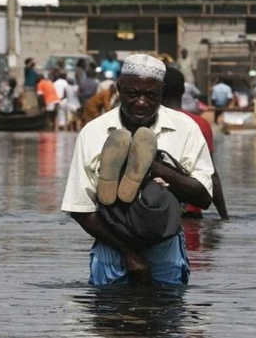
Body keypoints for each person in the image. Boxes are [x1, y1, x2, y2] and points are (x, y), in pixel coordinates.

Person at [61, 54, 214, 286]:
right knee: (114, 317)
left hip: (165, 241)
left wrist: (156, 168)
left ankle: (146, 169)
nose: (141, 102)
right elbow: (80, 209)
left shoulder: (185, 129)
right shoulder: (93, 132)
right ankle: (122, 180)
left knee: (161, 315)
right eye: (133, 94)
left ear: (161, 92)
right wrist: (128, 253)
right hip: (113, 242)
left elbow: (203, 198)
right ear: (119, 89)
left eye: (150, 95)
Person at [162, 67, 229, 220]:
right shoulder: (200, 123)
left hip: (156, 211)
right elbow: (211, 174)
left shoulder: (147, 122)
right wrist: (224, 216)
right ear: (183, 91)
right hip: (191, 214)